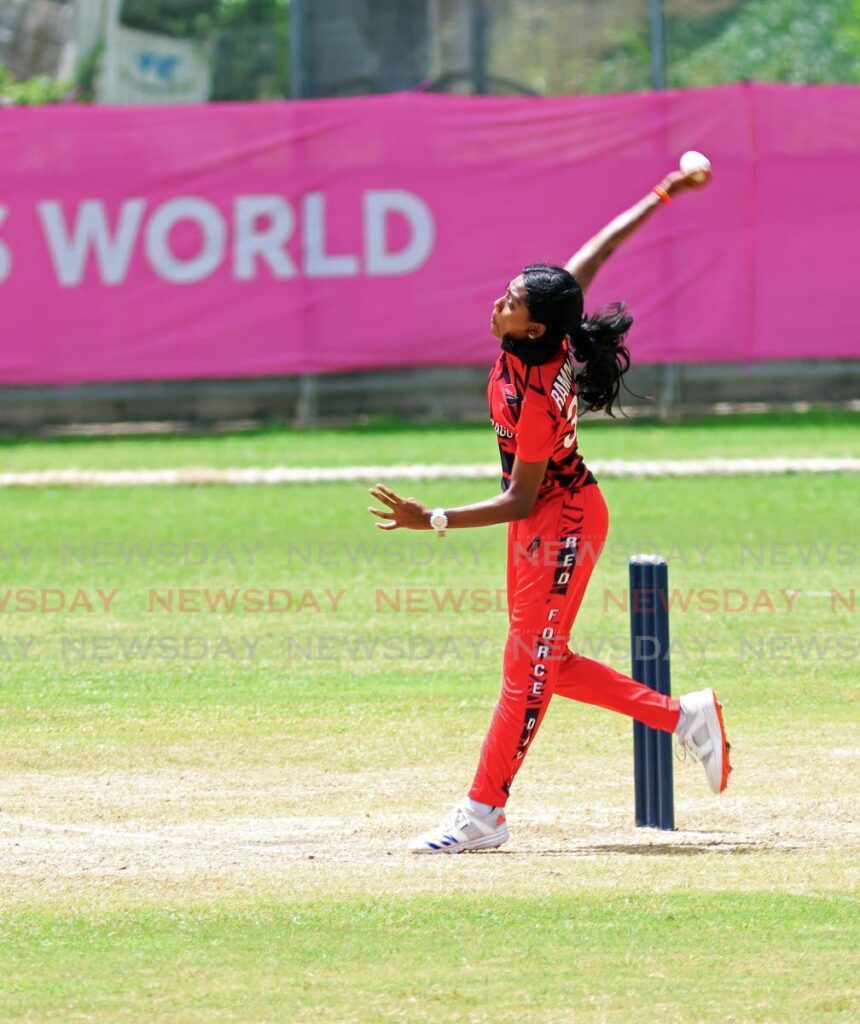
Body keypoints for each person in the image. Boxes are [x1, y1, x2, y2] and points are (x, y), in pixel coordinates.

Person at [367, 166, 731, 854]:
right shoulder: (549, 327)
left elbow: (518, 498)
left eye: (510, 303)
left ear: (534, 327)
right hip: (548, 522)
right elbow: (598, 251)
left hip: (557, 520)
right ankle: (681, 716)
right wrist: (661, 193)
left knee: (525, 673)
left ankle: (483, 812)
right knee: (543, 664)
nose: (497, 304)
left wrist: (434, 520)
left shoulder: (534, 393)